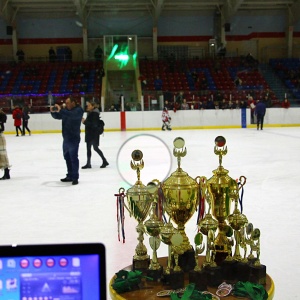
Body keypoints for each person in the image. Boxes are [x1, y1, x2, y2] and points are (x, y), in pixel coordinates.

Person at [50, 96, 84, 185]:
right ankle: (70, 175)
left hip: (74, 138)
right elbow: (58, 116)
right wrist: (53, 112)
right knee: (67, 157)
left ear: (73, 102)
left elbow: (72, 116)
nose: (66, 104)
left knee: (73, 157)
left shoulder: (79, 110)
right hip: (66, 138)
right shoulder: (66, 111)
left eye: (68, 102)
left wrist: (61, 109)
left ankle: (75, 177)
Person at [81, 102, 109, 169]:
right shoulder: (91, 113)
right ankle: (88, 163)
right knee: (89, 148)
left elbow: (93, 125)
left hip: (93, 134)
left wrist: (85, 122)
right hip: (90, 134)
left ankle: (104, 161)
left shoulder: (94, 114)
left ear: (93, 107)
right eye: (87, 105)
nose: (87, 106)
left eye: (89, 105)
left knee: (95, 148)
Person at [0, 108, 10, 180]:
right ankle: (6, 173)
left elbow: (2, 127)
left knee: (2, 154)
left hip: (0, 137)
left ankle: (6, 173)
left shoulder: (1, 116)